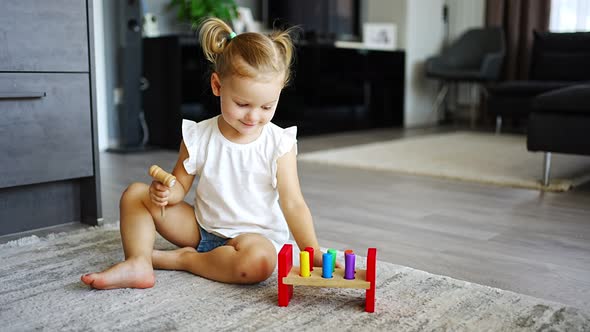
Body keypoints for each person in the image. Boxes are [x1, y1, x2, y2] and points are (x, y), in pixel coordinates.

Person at [81, 17, 332, 289]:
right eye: (242, 103)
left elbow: (293, 203)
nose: (253, 116)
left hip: (255, 239)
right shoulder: (198, 136)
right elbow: (180, 186)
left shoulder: (278, 143)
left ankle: (185, 261)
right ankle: (139, 262)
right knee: (134, 195)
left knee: (259, 263)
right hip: (201, 230)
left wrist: (313, 251)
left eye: (266, 107)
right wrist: (166, 192)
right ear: (217, 86)